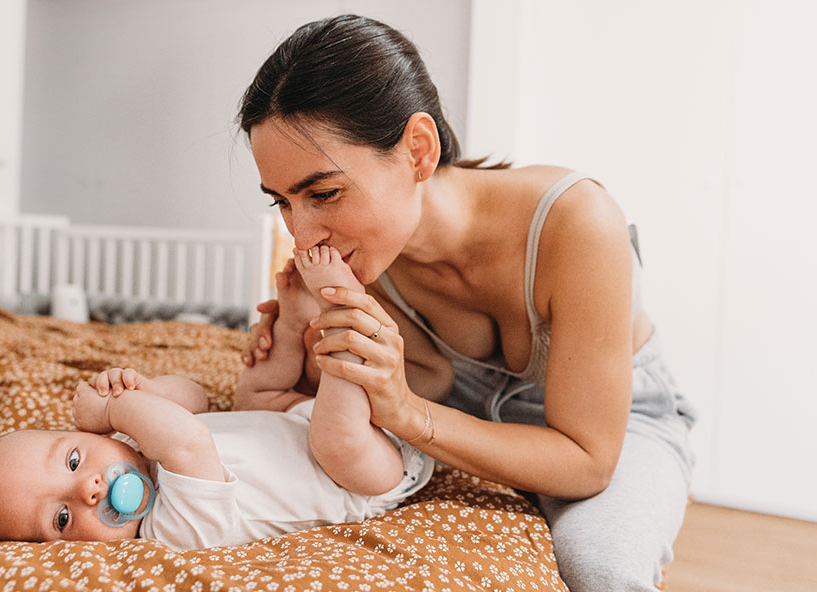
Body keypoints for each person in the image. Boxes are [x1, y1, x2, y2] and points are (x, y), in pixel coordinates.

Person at [236, 14, 697, 592]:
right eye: (282, 201)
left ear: (418, 151)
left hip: (615, 427)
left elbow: (586, 460)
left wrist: (405, 412)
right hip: (465, 410)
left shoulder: (577, 224)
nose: (303, 236)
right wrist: (314, 355)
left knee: (601, 569)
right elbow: (418, 382)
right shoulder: (369, 257)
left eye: (323, 193)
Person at [0, 249, 434, 549]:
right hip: (360, 478)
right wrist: (115, 407)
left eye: (75, 459)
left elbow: (195, 400)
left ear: (82, 434)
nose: (89, 490)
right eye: (63, 518)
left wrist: (144, 389)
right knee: (337, 440)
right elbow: (188, 440)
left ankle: (292, 323)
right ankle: (343, 315)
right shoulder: (170, 531)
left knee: (253, 393)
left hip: (297, 424)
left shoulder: (129, 442)